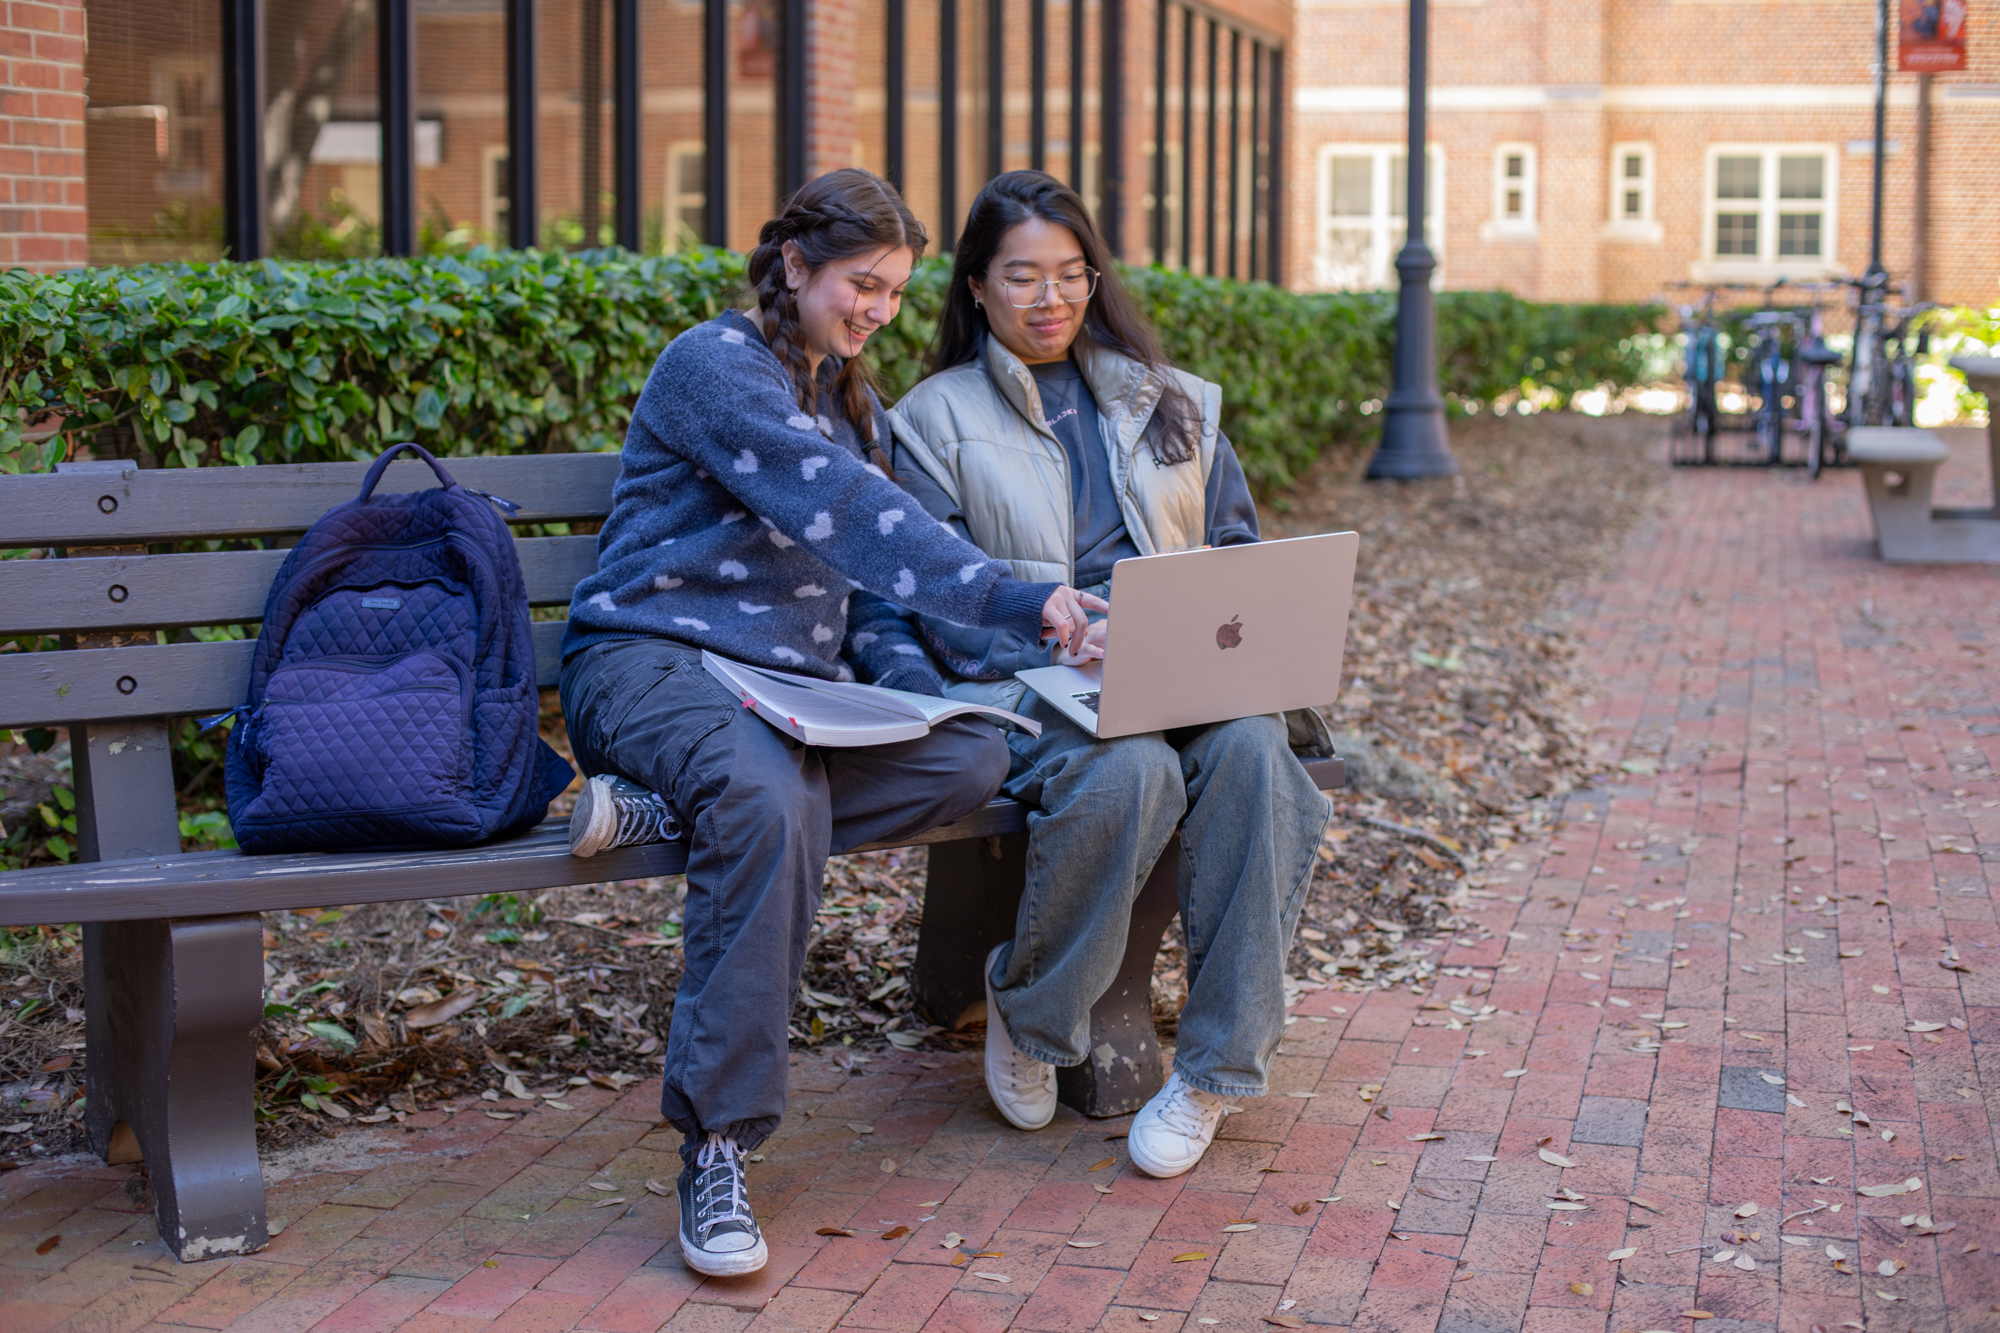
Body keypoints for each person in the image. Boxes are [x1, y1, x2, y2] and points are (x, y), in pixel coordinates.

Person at [558, 167, 1102, 1277]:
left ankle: (664, 805)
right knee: (764, 798)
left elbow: (880, 598)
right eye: (862, 284)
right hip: (652, 667)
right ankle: (717, 1142)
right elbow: (854, 515)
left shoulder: (846, 394)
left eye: (896, 293)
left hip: (781, 706)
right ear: (796, 266)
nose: (876, 312)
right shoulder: (717, 367)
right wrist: (1018, 594)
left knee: (976, 754)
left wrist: (1008, 662)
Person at [884, 170, 1331, 1178]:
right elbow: (934, 598)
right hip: (1034, 682)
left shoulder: (1165, 399)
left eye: (1069, 275)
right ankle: (1033, 1012)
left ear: (1093, 277)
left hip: (1180, 669)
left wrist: (1218, 623)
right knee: (1130, 771)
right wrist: (1049, 639)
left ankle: (1216, 1069)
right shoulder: (930, 420)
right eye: (1022, 277)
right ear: (974, 287)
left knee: (1258, 754)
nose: (1049, 299)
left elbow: (1232, 549)